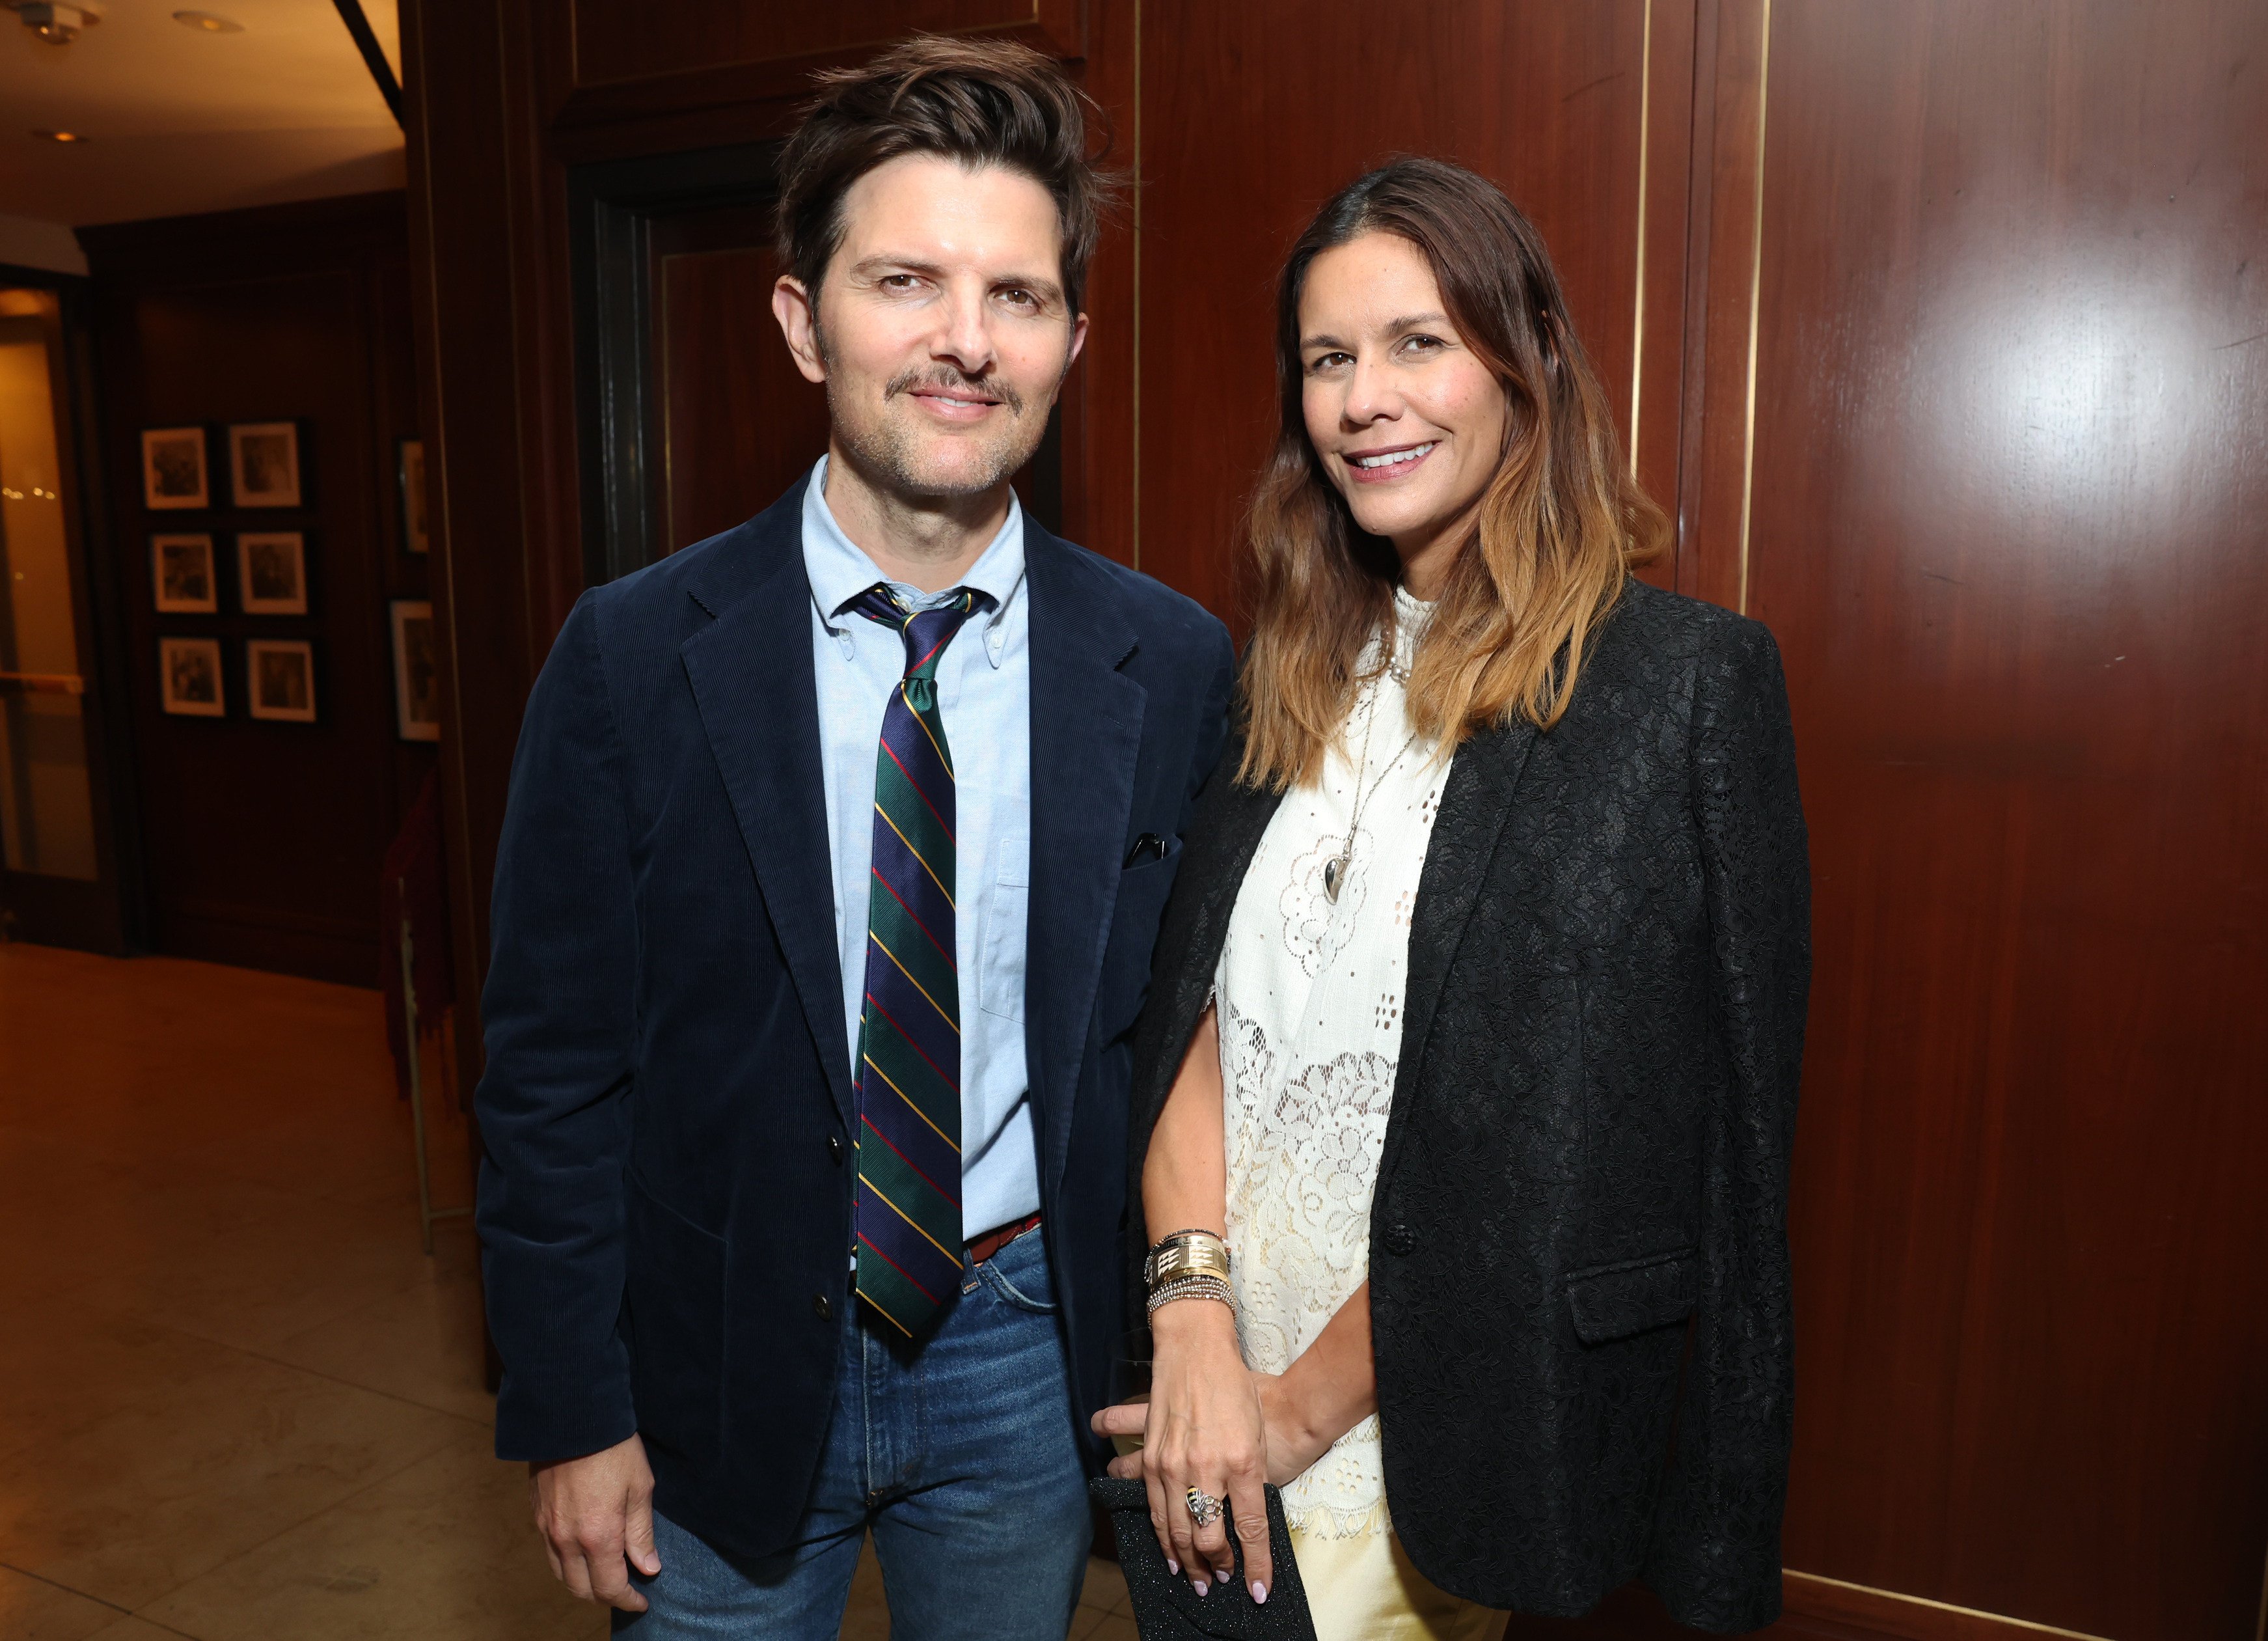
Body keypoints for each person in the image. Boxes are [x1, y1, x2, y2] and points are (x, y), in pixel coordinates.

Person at [476, 36, 1235, 1639]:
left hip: (1023, 1355)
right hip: (718, 1345)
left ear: (1072, 341)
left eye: (1017, 298)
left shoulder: (1167, 667)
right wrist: (570, 1403)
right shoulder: (630, 656)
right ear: (801, 318)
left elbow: (1185, 1042)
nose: (965, 342)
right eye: (906, 280)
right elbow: (550, 1067)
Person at [1093, 158, 1810, 1637]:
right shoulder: (1279, 673)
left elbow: (1580, 1161)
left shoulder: (1674, 691)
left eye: (1419, 342)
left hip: (1432, 1427)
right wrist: (1194, 1318)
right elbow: (1189, 1024)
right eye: (1328, 359)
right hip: (1201, 1395)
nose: (1367, 400)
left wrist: (1297, 1412)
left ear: (1526, 358)